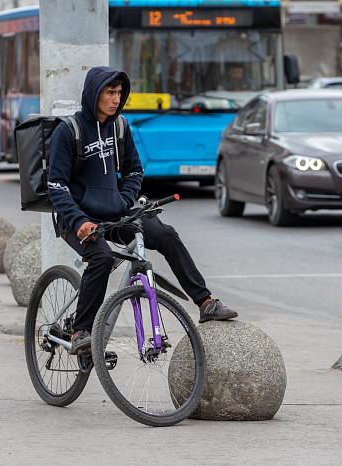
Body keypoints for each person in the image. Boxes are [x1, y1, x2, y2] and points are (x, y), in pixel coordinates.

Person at [47, 66, 237, 355]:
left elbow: (135, 170)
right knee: (100, 258)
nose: (115, 99)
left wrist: (124, 202)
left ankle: (205, 302)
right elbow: (57, 185)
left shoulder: (121, 127)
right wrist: (78, 221)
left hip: (114, 213)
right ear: (93, 94)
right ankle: (80, 332)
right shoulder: (68, 131)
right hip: (77, 218)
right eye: (109, 92)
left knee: (166, 235)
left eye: (119, 93)